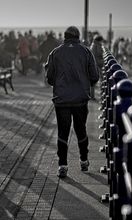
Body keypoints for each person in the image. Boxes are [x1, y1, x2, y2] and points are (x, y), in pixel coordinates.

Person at [45, 26, 99, 178]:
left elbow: (49, 78)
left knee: (63, 131)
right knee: (80, 129)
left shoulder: (55, 52)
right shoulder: (86, 51)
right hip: (80, 99)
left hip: (61, 99)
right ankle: (84, 160)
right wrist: (84, 84)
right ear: (78, 36)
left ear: (65, 36)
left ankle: (62, 165)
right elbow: (94, 76)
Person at [90, 34, 104, 99]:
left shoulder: (93, 45)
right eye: (101, 41)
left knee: (94, 81)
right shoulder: (96, 46)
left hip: (94, 64)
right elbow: (99, 54)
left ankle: (92, 95)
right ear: (99, 40)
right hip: (97, 64)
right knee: (101, 79)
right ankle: (100, 95)